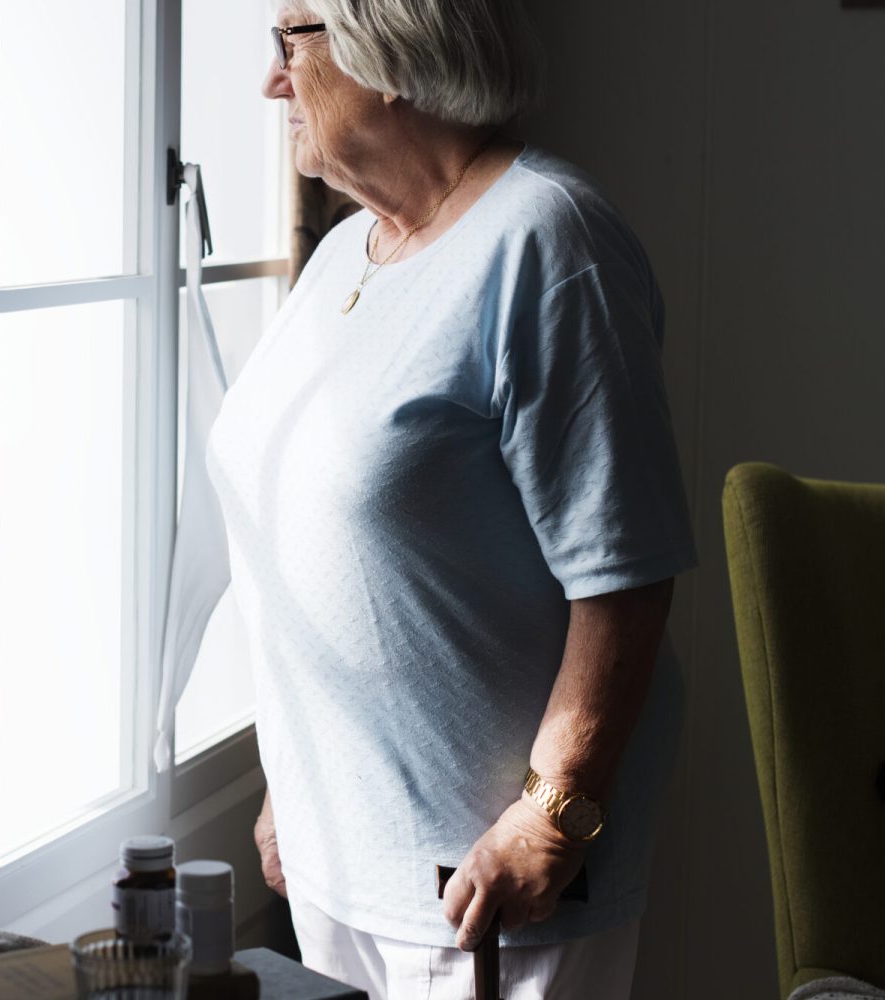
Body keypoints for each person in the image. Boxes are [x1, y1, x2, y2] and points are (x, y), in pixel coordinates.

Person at [206, 2, 699, 997]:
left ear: (391, 52)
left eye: (286, 43)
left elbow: (628, 578)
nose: (270, 84)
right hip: (339, 859)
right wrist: (290, 788)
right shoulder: (350, 250)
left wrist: (555, 811)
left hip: (484, 879)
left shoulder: (549, 240)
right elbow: (333, 554)